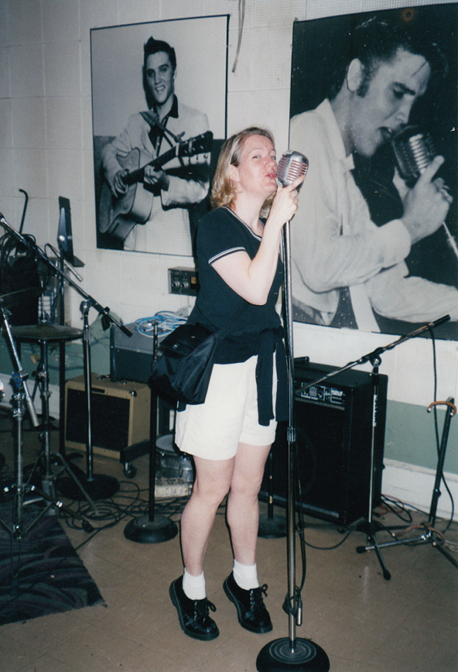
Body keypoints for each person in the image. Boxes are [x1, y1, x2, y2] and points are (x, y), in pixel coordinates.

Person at [169, 127, 303, 640]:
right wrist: (275, 226)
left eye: (274, 154)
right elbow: (253, 287)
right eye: (257, 155)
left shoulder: (264, 227)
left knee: (248, 487)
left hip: (259, 371)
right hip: (220, 372)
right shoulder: (216, 226)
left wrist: (274, 221)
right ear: (231, 171)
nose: (270, 161)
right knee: (212, 488)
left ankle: (244, 582)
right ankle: (192, 587)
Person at [289, 16, 458, 331]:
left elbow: (386, 292)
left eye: (412, 102)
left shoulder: (345, 179)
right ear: (356, 76)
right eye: (397, 92)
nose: (404, 116)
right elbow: (318, 265)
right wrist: (410, 227)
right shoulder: (305, 133)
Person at [100, 36, 210, 255]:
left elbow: (201, 189)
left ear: (174, 73)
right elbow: (107, 151)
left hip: (173, 240)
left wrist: (166, 182)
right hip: (133, 238)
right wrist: (116, 175)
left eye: (163, 70)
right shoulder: (136, 122)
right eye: (151, 73)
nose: (157, 79)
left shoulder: (195, 120)